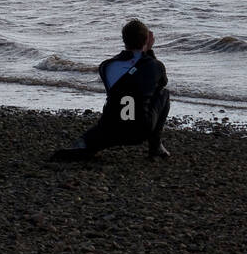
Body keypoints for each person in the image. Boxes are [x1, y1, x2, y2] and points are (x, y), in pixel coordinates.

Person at [49, 19, 171, 161]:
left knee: (94, 136)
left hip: (111, 127)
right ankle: (155, 146)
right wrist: (148, 51)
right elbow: (161, 83)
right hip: (139, 129)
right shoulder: (155, 65)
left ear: (124, 40)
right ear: (146, 40)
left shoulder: (106, 66)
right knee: (164, 93)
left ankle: (84, 145)